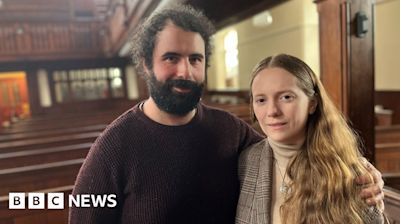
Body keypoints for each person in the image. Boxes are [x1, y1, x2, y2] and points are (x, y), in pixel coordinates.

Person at [69, 5, 384, 224]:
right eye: (170, 58)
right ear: (146, 64)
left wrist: (360, 173)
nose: (186, 71)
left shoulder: (229, 130)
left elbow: (293, 149)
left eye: (195, 58)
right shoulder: (114, 147)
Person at [236, 54, 387, 224]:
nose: (272, 111)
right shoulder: (245, 162)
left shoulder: (349, 171)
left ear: (312, 103)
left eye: (286, 97)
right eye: (261, 100)